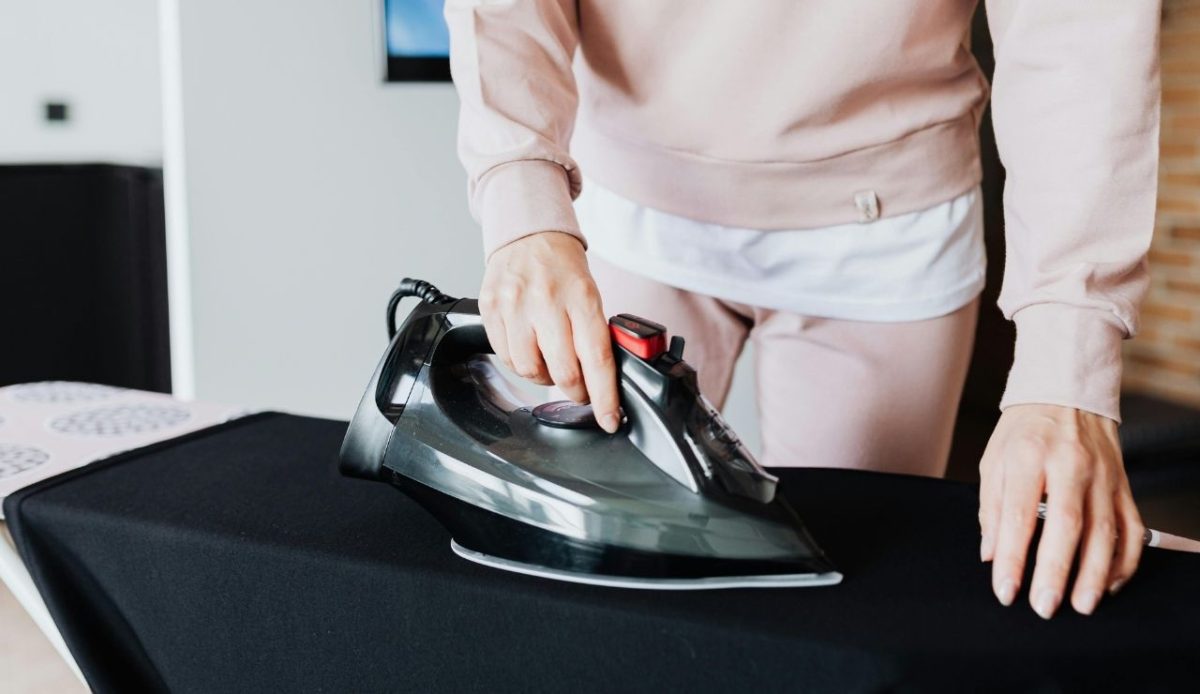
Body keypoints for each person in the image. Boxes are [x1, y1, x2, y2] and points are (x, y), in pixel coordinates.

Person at [444, 0, 1161, 620]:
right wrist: (524, 204)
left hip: (885, 222)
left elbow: (1077, 32)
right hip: (627, 199)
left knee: (854, 601)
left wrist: (1067, 358)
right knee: (578, 594)